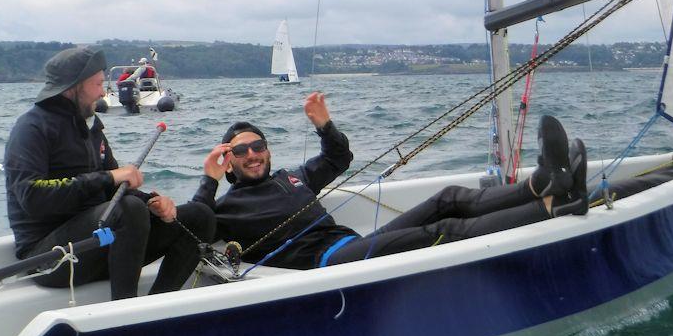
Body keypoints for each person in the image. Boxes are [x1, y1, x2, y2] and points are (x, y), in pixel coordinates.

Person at [193, 92, 588, 270]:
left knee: (448, 197)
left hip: (350, 245)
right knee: (444, 229)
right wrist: (209, 182)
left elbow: (338, 157)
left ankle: (543, 184)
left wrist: (324, 124)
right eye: (239, 152)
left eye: (257, 145)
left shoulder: (293, 179)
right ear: (228, 164)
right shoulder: (227, 208)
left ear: (267, 149)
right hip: (326, 263)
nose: (252, 154)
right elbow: (195, 225)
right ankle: (553, 207)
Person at [4, 47, 215, 299]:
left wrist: (152, 202)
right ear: (73, 87)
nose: (102, 91)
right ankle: (124, 312)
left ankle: (159, 304)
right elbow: (32, 197)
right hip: (49, 258)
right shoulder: (31, 128)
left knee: (199, 216)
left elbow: (115, 189)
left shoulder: (92, 128)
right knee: (127, 210)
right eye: (97, 83)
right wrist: (110, 177)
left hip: (98, 244)